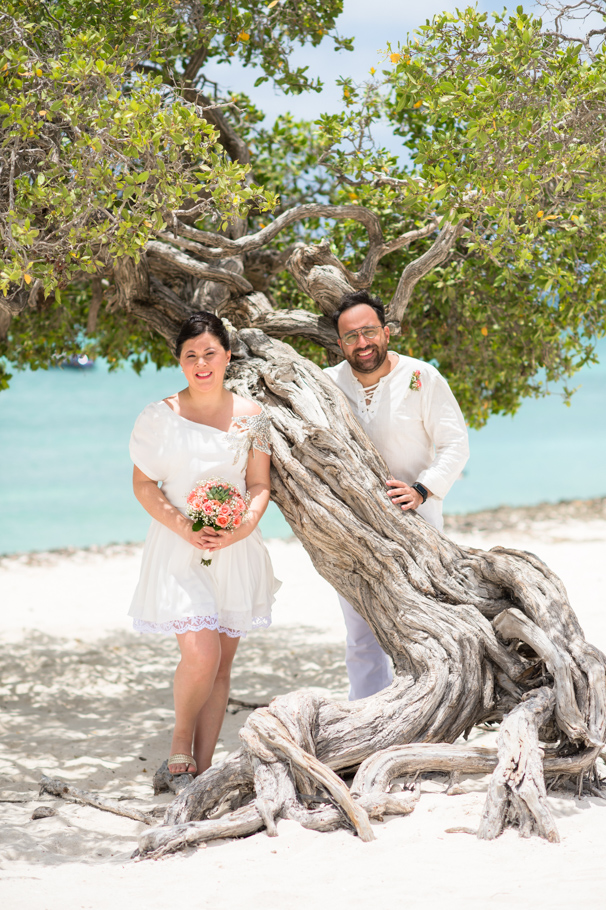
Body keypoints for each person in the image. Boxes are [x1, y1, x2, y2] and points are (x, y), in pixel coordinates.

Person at [128, 311, 280, 776]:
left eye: (209, 352)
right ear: (179, 361)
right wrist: (185, 527)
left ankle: (205, 763)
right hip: (178, 548)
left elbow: (259, 485)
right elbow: (144, 485)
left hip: (235, 550)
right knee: (201, 652)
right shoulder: (160, 417)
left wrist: (241, 527)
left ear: (227, 356)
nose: (201, 363)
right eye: (190, 355)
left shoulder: (253, 416)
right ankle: (179, 739)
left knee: (221, 667)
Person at [324, 289, 469, 701]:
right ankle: (368, 724)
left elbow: (456, 444)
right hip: (352, 531)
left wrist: (424, 489)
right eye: (351, 337)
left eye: (369, 332)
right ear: (340, 344)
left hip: (418, 528)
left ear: (386, 332)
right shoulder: (328, 383)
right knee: (360, 634)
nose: (362, 343)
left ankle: (425, 720)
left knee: (420, 630)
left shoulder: (421, 377)